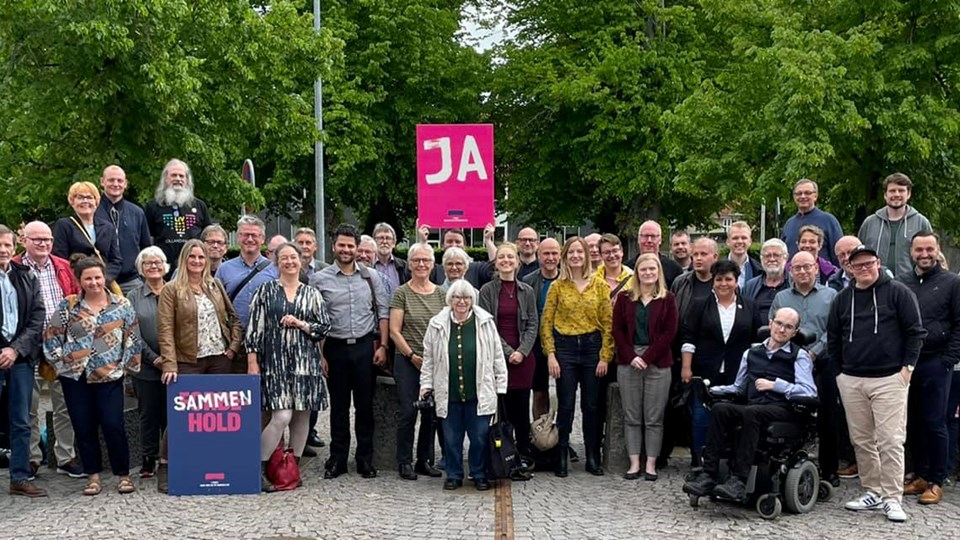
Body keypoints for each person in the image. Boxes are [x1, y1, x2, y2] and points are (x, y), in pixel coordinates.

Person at [828, 245, 926, 522]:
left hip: (889, 379)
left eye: (868, 263)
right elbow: (833, 337)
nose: (863, 269)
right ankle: (872, 491)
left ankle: (892, 498)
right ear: (849, 268)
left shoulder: (897, 292)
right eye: (857, 265)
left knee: (891, 440)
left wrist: (907, 369)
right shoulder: (842, 298)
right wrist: (839, 373)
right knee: (862, 440)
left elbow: (915, 333)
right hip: (852, 379)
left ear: (878, 263)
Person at [683, 307, 816, 501]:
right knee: (720, 409)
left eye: (788, 327)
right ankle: (708, 474)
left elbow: (809, 391)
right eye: (779, 324)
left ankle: (740, 479)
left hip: (784, 408)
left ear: (795, 332)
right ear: (770, 323)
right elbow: (738, 387)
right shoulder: (751, 353)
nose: (781, 330)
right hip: (755, 405)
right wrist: (711, 390)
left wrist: (777, 385)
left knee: (751, 412)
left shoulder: (799, 356)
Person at [43, 255, 141, 496]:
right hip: (75, 377)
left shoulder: (121, 304)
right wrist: (60, 362)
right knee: (83, 426)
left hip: (109, 375)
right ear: (79, 280)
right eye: (88, 278)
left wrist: (126, 368)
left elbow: (133, 337)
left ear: (104, 277)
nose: (94, 282)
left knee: (113, 425)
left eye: (97, 277)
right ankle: (93, 476)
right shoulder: (68, 305)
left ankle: (123, 475)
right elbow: (51, 335)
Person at [155, 239, 243, 492]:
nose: (197, 261)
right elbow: (165, 330)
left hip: (218, 359)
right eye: (192, 257)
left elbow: (233, 319)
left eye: (201, 257)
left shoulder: (214, 285)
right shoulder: (172, 289)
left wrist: (233, 347)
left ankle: (210, 462)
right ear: (184, 259)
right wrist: (170, 364)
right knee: (181, 417)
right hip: (187, 361)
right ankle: (166, 464)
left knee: (216, 417)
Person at [246, 242, 330, 492]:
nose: (290, 262)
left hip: (305, 363)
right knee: (282, 416)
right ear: (277, 262)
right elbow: (254, 328)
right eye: (284, 258)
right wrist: (253, 361)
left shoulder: (311, 293)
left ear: (301, 261)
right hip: (275, 363)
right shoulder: (265, 291)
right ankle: (257, 469)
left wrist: (302, 324)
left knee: (302, 416)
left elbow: (323, 327)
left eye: (294, 257)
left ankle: (291, 469)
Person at [311, 224, 390, 480]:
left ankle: (365, 459)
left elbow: (383, 313)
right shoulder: (320, 279)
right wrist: (321, 355)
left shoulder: (370, 277)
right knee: (339, 408)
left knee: (365, 408)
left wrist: (384, 346)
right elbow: (316, 319)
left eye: (350, 246)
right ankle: (338, 459)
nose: (346, 250)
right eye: (341, 245)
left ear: (357, 248)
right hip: (335, 348)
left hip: (365, 349)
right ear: (333, 246)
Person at [419, 279, 508, 491]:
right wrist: (426, 385)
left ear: (472, 300)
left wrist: (501, 387)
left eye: (466, 297)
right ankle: (454, 474)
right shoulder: (437, 324)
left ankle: (478, 473)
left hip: (479, 391)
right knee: (451, 438)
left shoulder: (485, 323)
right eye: (457, 297)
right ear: (450, 299)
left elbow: (497, 356)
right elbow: (429, 359)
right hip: (449, 393)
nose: (462, 302)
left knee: (479, 437)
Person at [541, 236, 614, 477]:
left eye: (579, 252)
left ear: (586, 256)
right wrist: (551, 354)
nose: (575, 256)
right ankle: (561, 454)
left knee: (591, 405)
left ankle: (592, 456)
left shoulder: (600, 285)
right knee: (566, 404)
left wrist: (605, 356)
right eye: (571, 252)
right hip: (566, 348)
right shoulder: (557, 287)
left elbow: (607, 322)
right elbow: (547, 322)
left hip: (592, 348)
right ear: (565, 256)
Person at [16, 221, 83, 480]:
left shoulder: (64, 267)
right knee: (28, 406)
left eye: (47, 239)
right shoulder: (14, 268)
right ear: (25, 240)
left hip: (62, 346)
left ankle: (65, 456)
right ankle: (32, 458)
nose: (43, 244)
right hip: (27, 345)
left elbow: (77, 302)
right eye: (37, 239)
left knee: (65, 403)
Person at [898, 231, 960, 505]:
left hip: (937, 361)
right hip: (909, 362)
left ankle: (936, 479)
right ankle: (920, 474)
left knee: (936, 422)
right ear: (911, 252)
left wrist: (948, 359)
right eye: (919, 250)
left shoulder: (952, 282)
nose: (924, 254)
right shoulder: (903, 283)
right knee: (912, 422)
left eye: (929, 249)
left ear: (937, 250)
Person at [680, 259, 756, 468]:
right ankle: (700, 462)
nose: (724, 283)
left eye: (728, 279)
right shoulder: (699, 304)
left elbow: (755, 341)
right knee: (701, 417)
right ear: (713, 281)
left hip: (737, 373)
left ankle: (727, 463)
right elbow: (688, 337)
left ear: (736, 280)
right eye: (719, 279)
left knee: (733, 418)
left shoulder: (749, 305)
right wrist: (686, 367)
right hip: (705, 371)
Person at [770, 250, 839, 484]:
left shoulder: (831, 296)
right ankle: (789, 464)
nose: (802, 271)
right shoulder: (781, 298)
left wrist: (813, 352)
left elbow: (835, 331)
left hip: (824, 363)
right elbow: (774, 327)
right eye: (797, 267)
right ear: (790, 271)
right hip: (789, 364)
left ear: (816, 268)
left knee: (828, 417)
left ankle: (829, 470)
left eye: (807, 266)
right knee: (791, 412)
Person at [611, 254, 678, 481]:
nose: (648, 273)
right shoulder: (624, 298)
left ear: (658, 272)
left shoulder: (668, 299)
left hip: (658, 362)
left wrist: (647, 357)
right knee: (632, 416)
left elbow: (670, 333)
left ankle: (650, 464)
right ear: (636, 273)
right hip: (629, 360)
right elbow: (617, 331)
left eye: (652, 269)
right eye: (643, 269)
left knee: (653, 418)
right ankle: (634, 463)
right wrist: (631, 356)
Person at [389, 242, 446, 481]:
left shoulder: (442, 294)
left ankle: (425, 460)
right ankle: (404, 461)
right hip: (406, 359)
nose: (421, 264)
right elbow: (394, 330)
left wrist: (433, 360)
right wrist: (412, 356)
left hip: (434, 362)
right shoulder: (401, 293)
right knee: (407, 412)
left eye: (426, 260)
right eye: (416, 261)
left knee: (431, 413)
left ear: (433, 264)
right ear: (410, 264)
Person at [478, 242, 539, 468]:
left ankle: (522, 454)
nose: (506, 261)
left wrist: (521, 352)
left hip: (523, 360)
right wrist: (508, 352)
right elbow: (488, 324)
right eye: (502, 257)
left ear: (517, 261)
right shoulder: (487, 291)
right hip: (496, 357)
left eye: (510, 257)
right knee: (499, 409)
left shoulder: (527, 290)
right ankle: (499, 455)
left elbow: (533, 323)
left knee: (521, 409)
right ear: (496, 261)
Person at [0, 225, 48, 497]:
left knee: (21, 420)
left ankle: (19, 477)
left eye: (7, 245)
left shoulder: (26, 276)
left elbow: (37, 318)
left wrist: (15, 350)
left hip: (20, 358)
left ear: (14, 247)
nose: (3, 250)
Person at [126, 247, 169, 479]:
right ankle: (148, 459)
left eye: (158, 262)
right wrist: (154, 358)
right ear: (141, 268)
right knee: (148, 414)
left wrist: (170, 359)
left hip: (174, 366)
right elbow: (133, 333)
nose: (153, 266)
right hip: (145, 367)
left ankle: (169, 457)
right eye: (148, 263)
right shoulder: (133, 296)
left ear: (165, 266)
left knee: (171, 415)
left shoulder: (174, 290)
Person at [144, 159, 213, 278]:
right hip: (163, 273)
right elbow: (147, 240)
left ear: (187, 180)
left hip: (195, 271)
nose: (178, 179)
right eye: (174, 175)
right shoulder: (153, 207)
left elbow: (209, 237)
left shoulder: (199, 206)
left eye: (182, 176)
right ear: (166, 179)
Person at [858, 172, 932, 277]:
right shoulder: (869, 223)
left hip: (911, 286)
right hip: (875, 284)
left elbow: (931, 256)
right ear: (885, 195)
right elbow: (860, 255)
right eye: (892, 191)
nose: (896, 194)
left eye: (901, 190)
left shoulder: (921, 223)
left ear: (909, 194)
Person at [215, 216, 279, 332]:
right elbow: (217, 306)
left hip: (266, 337)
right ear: (238, 237)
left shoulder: (275, 269)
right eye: (245, 234)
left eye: (254, 235)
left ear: (262, 239)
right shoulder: (224, 270)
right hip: (234, 339)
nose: (249, 239)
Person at [96, 165, 153, 295]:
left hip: (132, 281)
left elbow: (146, 247)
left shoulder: (137, 212)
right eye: (111, 180)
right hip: (100, 281)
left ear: (125, 183)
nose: (115, 184)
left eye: (120, 180)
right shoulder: (92, 212)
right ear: (102, 181)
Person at [52, 181, 123, 284]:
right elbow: (60, 258)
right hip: (75, 282)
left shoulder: (108, 227)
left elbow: (116, 260)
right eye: (80, 198)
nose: (85, 201)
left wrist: (104, 279)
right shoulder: (64, 225)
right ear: (72, 201)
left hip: (103, 283)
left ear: (96, 201)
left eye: (89, 198)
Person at [523, 237, 561, 419]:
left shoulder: (567, 280)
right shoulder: (528, 281)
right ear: (539, 256)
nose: (550, 257)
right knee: (539, 390)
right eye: (546, 253)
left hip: (563, 342)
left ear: (560, 256)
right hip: (536, 343)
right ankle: (540, 434)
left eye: (554, 253)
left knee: (565, 393)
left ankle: (560, 437)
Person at [782, 179, 844, 266]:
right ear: (794, 197)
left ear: (815, 196)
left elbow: (839, 254)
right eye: (799, 193)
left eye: (807, 193)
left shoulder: (829, 221)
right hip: (792, 276)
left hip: (823, 277)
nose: (803, 196)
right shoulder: (789, 224)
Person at [418, 224, 497, 289]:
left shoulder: (477, 268)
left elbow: (496, 266)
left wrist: (488, 240)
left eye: (458, 241)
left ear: (465, 245)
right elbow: (420, 266)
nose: (454, 245)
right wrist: (422, 241)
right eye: (449, 241)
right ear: (442, 245)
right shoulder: (436, 271)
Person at [742, 239, 791, 325]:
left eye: (776, 255)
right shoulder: (750, 286)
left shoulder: (794, 284)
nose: (772, 259)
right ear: (761, 259)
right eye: (767, 256)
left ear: (786, 257)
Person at [672, 237, 719, 320]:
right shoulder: (680, 283)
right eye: (695, 254)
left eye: (703, 254)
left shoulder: (724, 284)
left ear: (715, 257)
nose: (698, 258)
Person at [628, 221, 683, 289]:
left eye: (653, 236)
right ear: (639, 239)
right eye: (645, 236)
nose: (649, 240)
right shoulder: (627, 268)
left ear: (660, 240)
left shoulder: (674, 269)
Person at [372, 222, 410, 293]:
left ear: (394, 243)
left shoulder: (404, 266)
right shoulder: (369, 265)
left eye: (388, 238)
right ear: (374, 242)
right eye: (380, 238)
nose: (384, 241)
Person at [726, 221, 762, 289]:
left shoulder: (759, 270)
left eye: (744, 238)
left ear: (750, 241)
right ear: (728, 242)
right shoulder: (716, 269)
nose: (740, 241)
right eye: (735, 238)